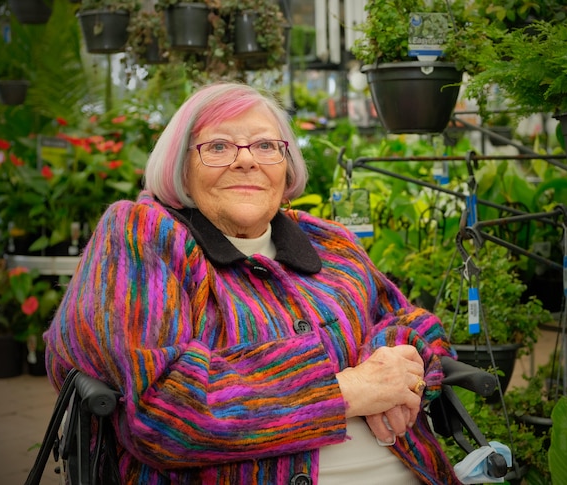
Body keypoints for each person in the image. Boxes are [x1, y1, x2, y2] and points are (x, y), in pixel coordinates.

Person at [44, 82, 461, 484]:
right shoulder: (144, 236)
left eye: (265, 146)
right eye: (219, 147)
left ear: (287, 165)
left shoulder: (329, 242)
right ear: (180, 168)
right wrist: (347, 390)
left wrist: (391, 364)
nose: (246, 161)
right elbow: (163, 411)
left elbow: (413, 322)